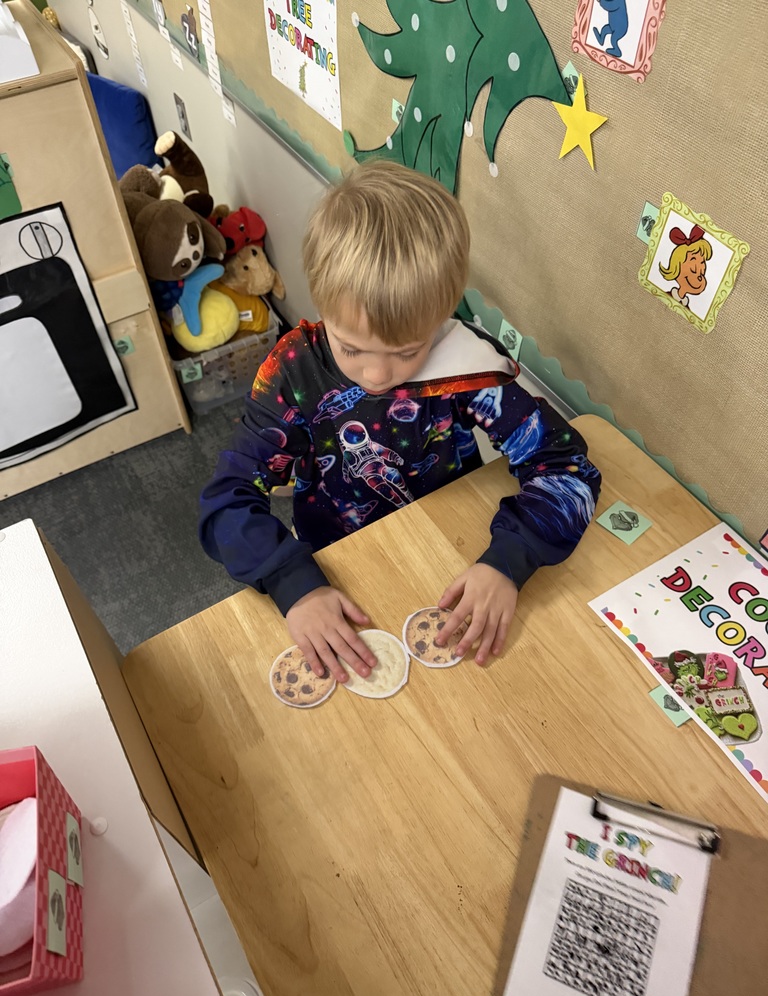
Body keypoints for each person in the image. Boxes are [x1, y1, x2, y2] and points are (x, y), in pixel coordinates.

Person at [199, 161, 601, 683]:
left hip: (451, 556)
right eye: (352, 348)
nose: (377, 375)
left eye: (408, 351)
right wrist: (290, 582)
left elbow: (564, 465)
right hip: (334, 573)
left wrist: (509, 560)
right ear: (321, 304)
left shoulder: (464, 366)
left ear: (441, 317)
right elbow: (228, 498)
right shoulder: (294, 372)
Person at [658, 224, 712, 307]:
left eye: (702, 262)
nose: (697, 272)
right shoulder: (665, 295)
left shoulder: (686, 305)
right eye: (693, 270)